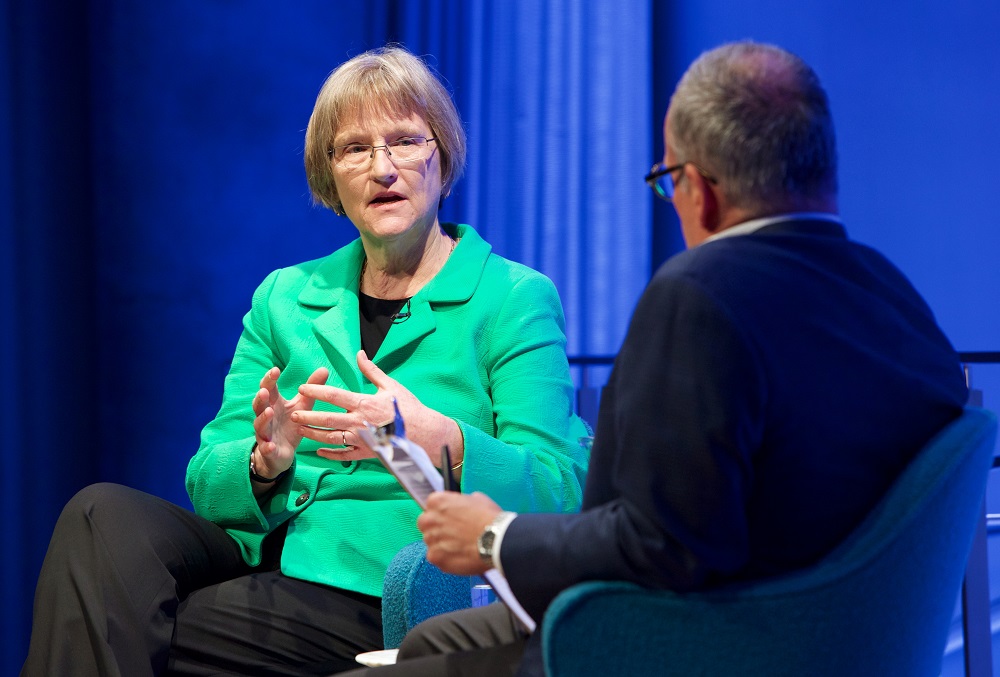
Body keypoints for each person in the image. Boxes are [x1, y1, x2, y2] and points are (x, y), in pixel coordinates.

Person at [341, 40, 970, 677]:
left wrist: (491, 535)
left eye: (668, 184)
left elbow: (661, 545)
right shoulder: (900, 302)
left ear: (700, 189)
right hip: (837, 641)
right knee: (433, 644)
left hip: (699, 641)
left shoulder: (700, 294)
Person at [21, 46, 589, 676]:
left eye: (404, 141)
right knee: (100, 517)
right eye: (355, 149)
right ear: (330, 172)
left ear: (442, 155)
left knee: (116, 628)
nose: (383, 169)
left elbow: (559, 491)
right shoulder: (285, 296)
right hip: (267, 556)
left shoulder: (511, 297)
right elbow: (208, 480)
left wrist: (442, 439)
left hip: (390, 582)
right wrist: (263, 462)